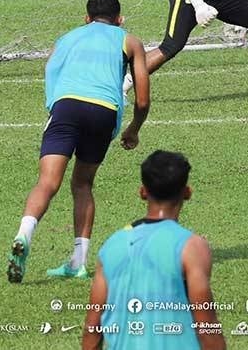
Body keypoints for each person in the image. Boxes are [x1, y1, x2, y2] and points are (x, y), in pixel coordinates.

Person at [7, 0, 150, 283]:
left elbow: (50, 70)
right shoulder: (129, 41)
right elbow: (143, 99)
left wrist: (56, 108)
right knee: (83, 183)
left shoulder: (67, 38)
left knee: (47, 182)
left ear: (86, 19)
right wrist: (133, 128)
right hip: (104, 111)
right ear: (119, 19)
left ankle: (24, 234)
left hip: (66, 106)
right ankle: (78, 261)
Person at [82, 150, 226, 350]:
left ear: (142, 192)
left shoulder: (112, 246)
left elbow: (92, 329)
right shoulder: (192, 247)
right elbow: (207, 328)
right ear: (187, 193)